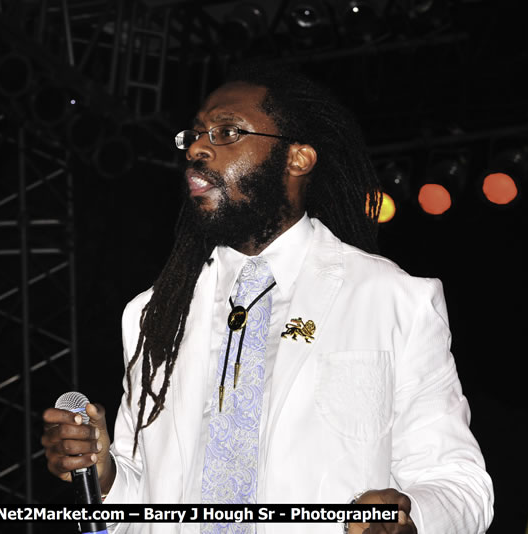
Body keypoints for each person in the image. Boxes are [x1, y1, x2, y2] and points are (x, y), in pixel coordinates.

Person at [42, 66, 494, 533]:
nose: (198, 147)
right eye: (195, 135)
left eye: (227, 132)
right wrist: (105, 474)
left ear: (297, 158)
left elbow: (460, 487)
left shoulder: (393, 300)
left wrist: (408, 518)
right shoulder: (153, 315)